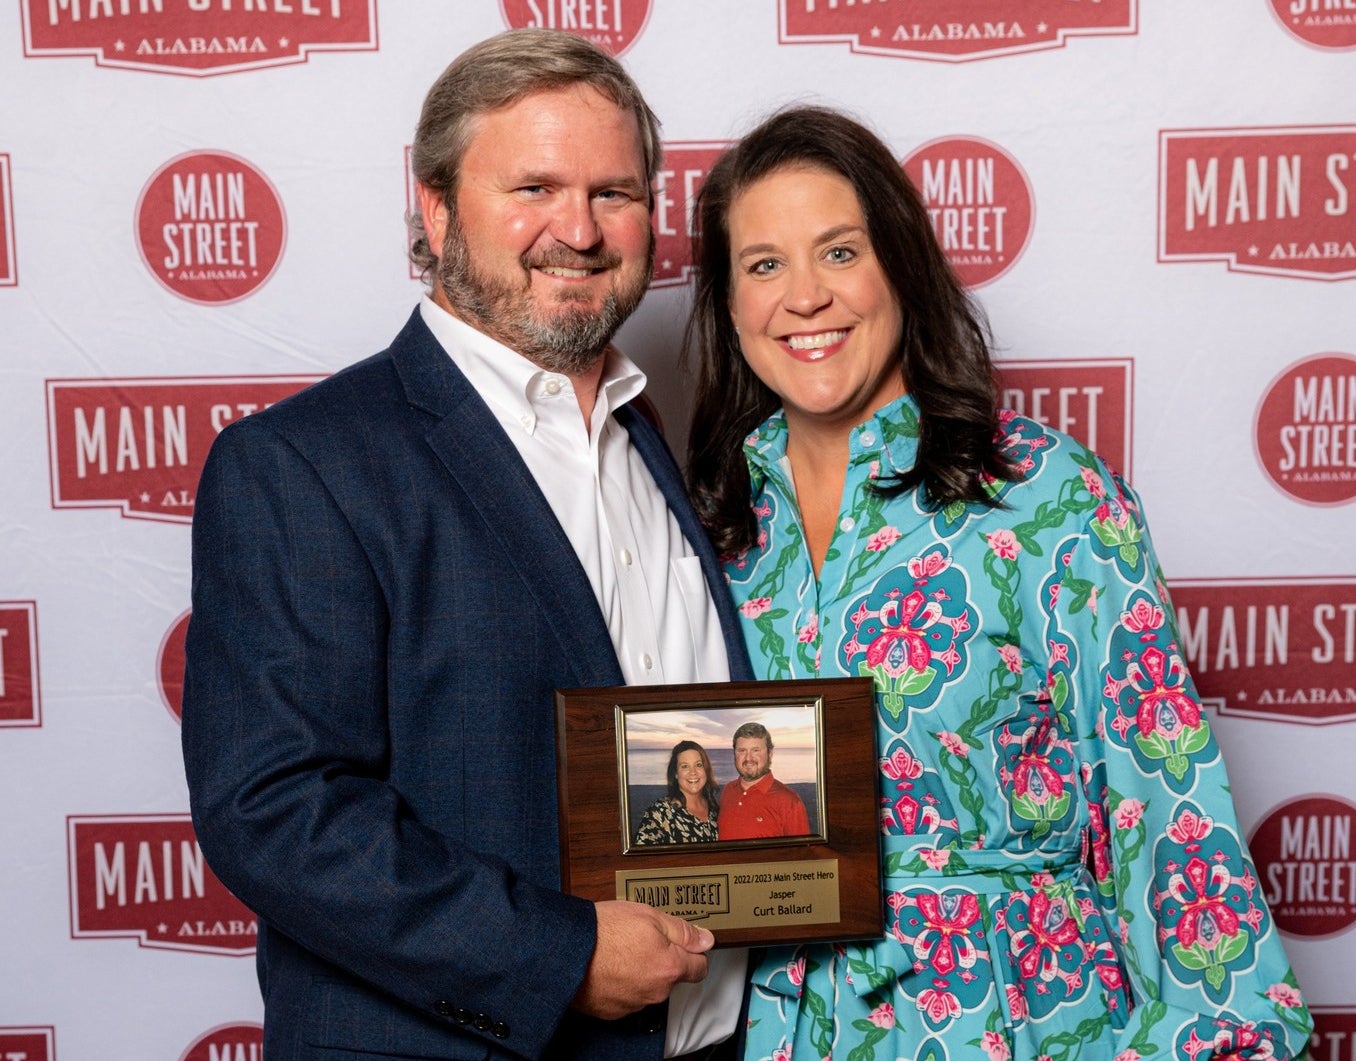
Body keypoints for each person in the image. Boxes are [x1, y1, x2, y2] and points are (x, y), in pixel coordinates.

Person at [685, 106, 1312, 1060]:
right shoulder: (715, 528)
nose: (804, 297)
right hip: (781, 1027)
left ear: (902, 264)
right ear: (730, 305)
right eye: (764, 264)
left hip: (1018, 1022)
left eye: (840, 253)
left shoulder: (1047, 496)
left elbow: (1166, 800)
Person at [180, 29, 753, 1061]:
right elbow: (274, 808)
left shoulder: (649, 438)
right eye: (533, 186)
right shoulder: (303, 462)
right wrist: (560, 953)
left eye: (615, 193)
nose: (577, 229)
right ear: (437, 207)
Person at [716, 722, 809, 840]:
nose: (748, 758)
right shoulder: (728, 790)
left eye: (756, 750)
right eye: (742, 750)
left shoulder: (789, 802)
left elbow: (802, 855)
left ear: (770, 754)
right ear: (734, 754)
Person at [634, 740, 722, 845]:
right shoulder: (659, 813)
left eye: (698, 765)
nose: (693, 772)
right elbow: (641, 857)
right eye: (685, 766)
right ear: (675, 773)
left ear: (706, 770)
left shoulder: (714, 809)